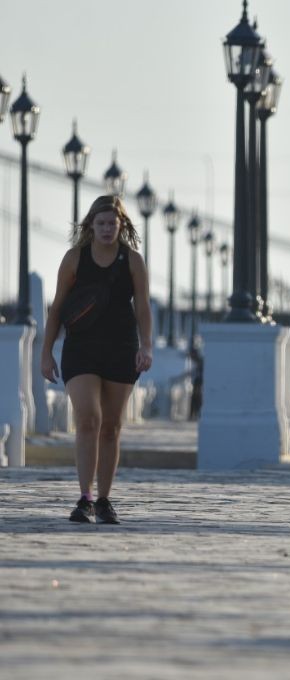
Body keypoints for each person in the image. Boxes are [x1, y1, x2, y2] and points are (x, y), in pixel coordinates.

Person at [40, 195, 154, 525]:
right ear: (91, 225)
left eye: (112, 223)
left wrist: (146, 346)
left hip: (121, 348)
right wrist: (46, 352)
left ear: (121, 226)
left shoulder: (132, 261)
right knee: (88, 417)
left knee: (112, 426)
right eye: (100, 223)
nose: (106, 229)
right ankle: (85, 498)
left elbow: (143, 308)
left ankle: (104, 499)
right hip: (81, 348)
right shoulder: (75, 258)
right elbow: (57, 308)